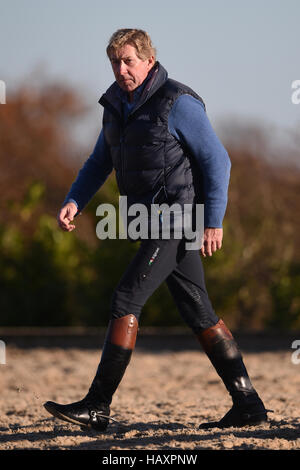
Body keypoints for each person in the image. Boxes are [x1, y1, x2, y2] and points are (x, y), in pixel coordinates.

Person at [44, 28, 270, 431]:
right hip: (148, 220)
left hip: (179, 219)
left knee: (126, 297)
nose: (121, 69)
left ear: (149, 60)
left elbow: (218, 162)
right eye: (115, 62)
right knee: (197, 310)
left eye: (129, 60)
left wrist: (213, 221)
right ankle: (248, 403)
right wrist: (75, 199)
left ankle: (97, 405)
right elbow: (100, 161)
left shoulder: (177, 102)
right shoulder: (116, 104)